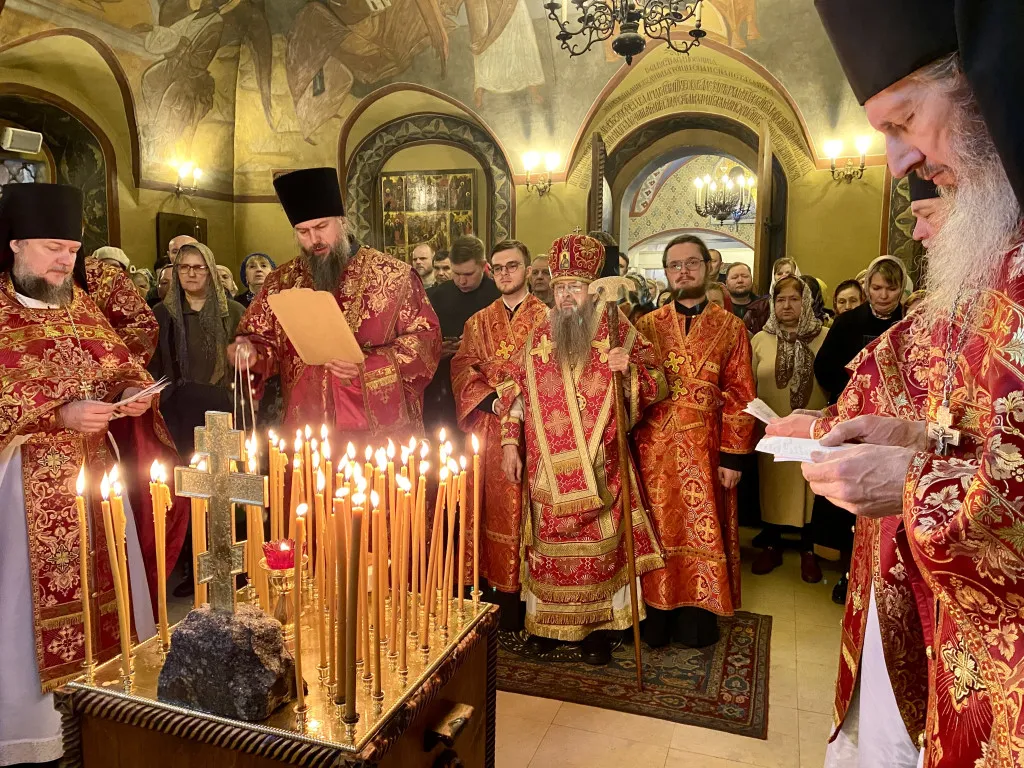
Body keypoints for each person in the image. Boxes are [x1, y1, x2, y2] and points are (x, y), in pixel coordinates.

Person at [794, 1, 1024, 764]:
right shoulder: (1000, 252)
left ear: (986, 85)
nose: (898, 166)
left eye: (902, 122)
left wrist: (919, 478)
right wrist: (921, 437)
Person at [0, 183, 185, 765]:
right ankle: (32, 732)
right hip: (22, 483)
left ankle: (105, 709)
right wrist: (58, 414)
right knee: (20, 611)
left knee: (108, 586)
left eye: (74, 251)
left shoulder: (78, 305)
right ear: (15, 244)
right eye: (54, 248)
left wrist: (132, 393)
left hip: (95, 476)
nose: (65, 262)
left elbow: (120, 363)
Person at [499, 233, 666, 664]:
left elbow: (655, 384)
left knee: (601, 551)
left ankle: (598, 631)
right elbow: (512, 393)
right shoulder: (539, 334)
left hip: (601, 465)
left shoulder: (617, 328)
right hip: (545, 469)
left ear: (593, 288)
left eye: (574, 286)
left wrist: (627, 370)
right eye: (559, 288)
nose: (565, 295)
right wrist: (509, 443)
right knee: (548, 550)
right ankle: (547, 628)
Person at [229, 167, 441, 438]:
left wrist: (366, 367)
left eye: (321, 227)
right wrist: (248, 354)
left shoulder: (395, 277)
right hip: (307, 428)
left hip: (377, 435)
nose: (314, 240)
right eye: (303, 232)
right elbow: (259, 339)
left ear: (342, 221)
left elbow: (426, 342)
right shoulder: (280, 281)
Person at [634, 235, 756, 648]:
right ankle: (657, 615)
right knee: (657, 531)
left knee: (702, 530)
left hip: (706, 449)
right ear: (665, 273)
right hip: (653, 449)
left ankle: (697, 617)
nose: (683, 271)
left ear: (708, 267)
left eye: (691, 263)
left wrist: (733, 457)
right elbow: (633, 386)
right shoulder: (645, 325)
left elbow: (741, 394)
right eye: (674, 265)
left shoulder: (731, 327)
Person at [450, 240, 549, 626]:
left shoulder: (548, 317)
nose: (506, 272)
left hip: (536, 429)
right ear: (491, 271)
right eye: (499, 267)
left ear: (526, 269)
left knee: (532, 508)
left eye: (513, 265)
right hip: (489, 429)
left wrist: (521, 404)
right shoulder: (478, 321)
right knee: (488, 505)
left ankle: (530, 602)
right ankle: (493, 596)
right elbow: (461, 368)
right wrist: (492, 400)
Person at [812, 256, 908, 601]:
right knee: (850, 499)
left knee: (884, 506)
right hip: (853, 423)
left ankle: (887, 576)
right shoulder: (848, 322)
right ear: (867, 287)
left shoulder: (911, 323)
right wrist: (851, 397)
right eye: (877, 288)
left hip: (896, 428)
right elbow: (824, 366)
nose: (883, 295)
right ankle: (847, 573)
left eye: (891, 288)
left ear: (902, 288)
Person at [749, 275, 828, 580]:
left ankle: (809, 550)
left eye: (794, 299)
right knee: (773, 485)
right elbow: (748, 383)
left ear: (806, 301)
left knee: (809, 486)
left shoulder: (825, 336)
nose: (786, 305)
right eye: (780, 299)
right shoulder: (760, 339)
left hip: (811, 429)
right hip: (771, 429)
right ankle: (772, 545)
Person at [150, 242, 247, 458]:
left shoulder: (232, 313)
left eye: (198, 267)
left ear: (210, 271)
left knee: (221, 471)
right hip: (177, 407)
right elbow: (153, 364)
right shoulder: (162, 314)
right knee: (183, 470)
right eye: (184, 267)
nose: (190, 273)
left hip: (223, 406)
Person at [425, 236, 500, 436]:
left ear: (484, 266)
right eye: (456, 273)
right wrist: (435, 350)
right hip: (443, 389)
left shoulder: (498, 296)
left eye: (468, 274)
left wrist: (471, 346)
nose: (461, 281)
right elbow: (421, 339)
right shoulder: (436, 296)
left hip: (484, 389)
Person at [744, 257, 800, 334]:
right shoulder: (758, 308)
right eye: (779, 273)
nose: (783, 276)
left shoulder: (806, 303)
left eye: (788, 273)